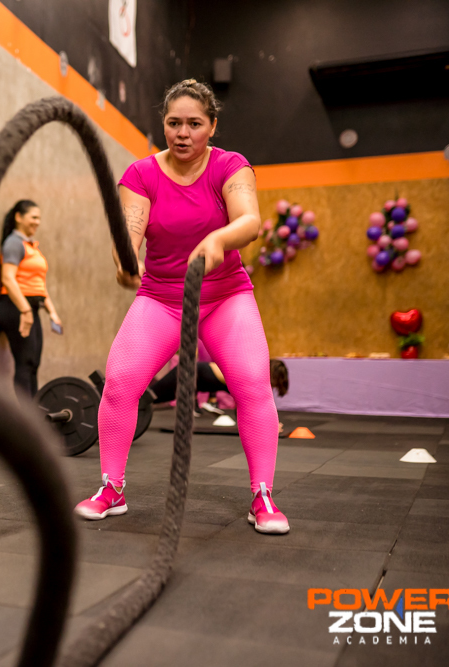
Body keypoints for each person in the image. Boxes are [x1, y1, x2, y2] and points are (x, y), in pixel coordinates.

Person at [74, 80, 289, 534]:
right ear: (163, 125)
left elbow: (249, 221)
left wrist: (218, 239)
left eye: (194, 123)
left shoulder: (230, 166)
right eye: (174, 123)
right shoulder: (141, 174)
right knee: (120, 382)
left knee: (253, 385)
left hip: (224, 295)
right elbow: (128, 237)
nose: (183, 132)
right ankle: (112, 488)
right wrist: (124, 263)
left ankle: (262, 497)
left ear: (212, 125)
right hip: (161, 296)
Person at [0, 200, 63, 397]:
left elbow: (39, 285)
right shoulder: (14, 244)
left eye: (39, 218)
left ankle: (34, 413)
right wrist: (24, 310)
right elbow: (8, 278)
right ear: (18, 217)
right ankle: (26, 419)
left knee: (33, 363)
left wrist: (52, 313)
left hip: (31, 307)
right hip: (16, 306)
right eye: (33, 217)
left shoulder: (30, 245)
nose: (37, 222)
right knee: (25, 364)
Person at [148, 358, 289, 405]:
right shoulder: (248, 377)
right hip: (189, 371)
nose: (274, 386)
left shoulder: (252, 379)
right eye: (275, 382)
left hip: (194, 378)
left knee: (153, 399)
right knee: (150, 397)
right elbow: (249, 405)